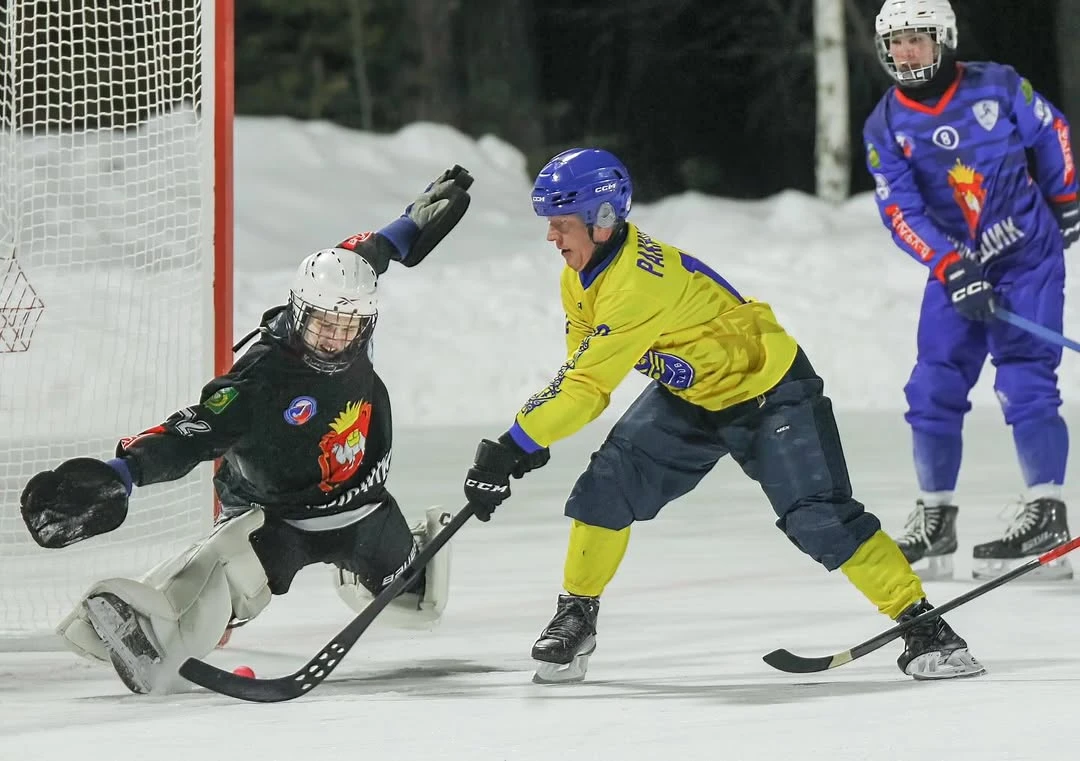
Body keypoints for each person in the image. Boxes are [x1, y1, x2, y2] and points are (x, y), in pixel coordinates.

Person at [460, 147, 985, 684]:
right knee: (606, 487)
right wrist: (535, 435)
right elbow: (578, 371)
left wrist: (513, 444)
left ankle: (927, 628)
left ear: (603, 218)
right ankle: (576, 614)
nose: (552, 236)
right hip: (693, 395)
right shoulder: (579, 277)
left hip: (769, 392)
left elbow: (588, 388)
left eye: (561, 223)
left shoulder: (636, 283)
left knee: (818, 517)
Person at [19, 166, 475, 694]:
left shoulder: (346, 303)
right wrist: (123, 471)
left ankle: (385, 561)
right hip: (275, 516)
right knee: (229, 582)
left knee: (415, 597)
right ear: (299, 310)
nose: (334, 338)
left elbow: (366, 254)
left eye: (348, 327)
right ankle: (154, 627)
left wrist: (406, 228)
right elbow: (192, 433)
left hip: (362, 506)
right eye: (323, 324)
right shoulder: (260, 379)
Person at [863, 0, 1078, 581]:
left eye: (917, 38)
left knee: (1025, 379)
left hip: (1027, 258)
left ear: (944, 38)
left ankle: (1047, 520)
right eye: (895, 41)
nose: (905, 51)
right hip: (958, 270)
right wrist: (951, 265)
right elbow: (900, 210)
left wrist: (1066, 199)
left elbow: (1052, 130)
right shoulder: (886, 124)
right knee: (931, 386)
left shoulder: (997, 85)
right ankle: (936, 524)